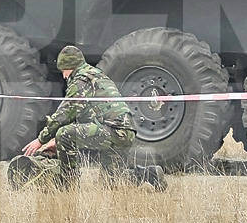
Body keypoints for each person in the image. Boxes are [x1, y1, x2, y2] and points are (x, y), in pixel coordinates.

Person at [18, 45, 164, 190]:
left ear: (70, 66)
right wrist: (54, 141)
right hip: (124, 131)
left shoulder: (81, 79)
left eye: (63, 70)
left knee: (65, 133)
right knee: (110, 182)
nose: (64, 76)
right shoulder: (95, 74)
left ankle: (68, 183)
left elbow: (65, 112)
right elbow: (81, 115)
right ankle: (150, 175)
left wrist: (41, 139)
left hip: (114, 130)